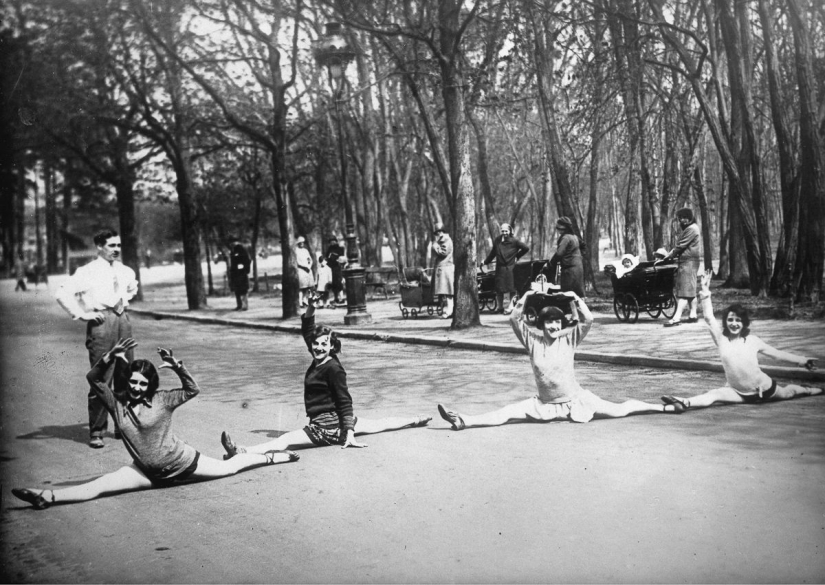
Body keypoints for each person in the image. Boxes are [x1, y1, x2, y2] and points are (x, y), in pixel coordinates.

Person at [11, 339, 297, 510]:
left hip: (184, 463)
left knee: (230, 467)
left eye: (142, 383)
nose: (136, 387)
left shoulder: (163, 400)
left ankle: (272, 456)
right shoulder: (117, 403)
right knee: (100, 485)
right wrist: (108, 357)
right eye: (133, 382)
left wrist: (179, 367)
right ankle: (46, 497)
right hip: (146, 472)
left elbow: (192, 390)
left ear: (151, 385)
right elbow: (94, 379)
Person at [437, 290, 686, 431]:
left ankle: (666, 407)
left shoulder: (570, 338)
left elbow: (588, 320)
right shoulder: (532, 341)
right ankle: (463, 420)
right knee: (505, 413)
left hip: (577, 400)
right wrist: (527, 295)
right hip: (544, 404)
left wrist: (574, 297)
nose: (554, 326)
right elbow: (514, 319)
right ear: (541, 325)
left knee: (620, 409)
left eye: (557, 322)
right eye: (549, 322)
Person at [220, 293, 431, 456]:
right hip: (337, 423)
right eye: (316, 344)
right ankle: (417, 419)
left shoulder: (333, 368)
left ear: (332, 347)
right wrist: (311, 306)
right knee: (381, 424)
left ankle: (242, 452)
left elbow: (344, 401)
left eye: (324, 344)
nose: (318, 347)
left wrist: (349, 434)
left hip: (327, 428)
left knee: (284, 440)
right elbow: (308, 328)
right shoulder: (318, 358)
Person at [660, 271, 822, 412]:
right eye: (730, 320)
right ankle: (685, 402)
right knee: (714, 395)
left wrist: (802, 360)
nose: (734, 323)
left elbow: (777, 355)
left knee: (789, 393)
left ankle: (808, 390)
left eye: (738, 320)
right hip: (737, 392)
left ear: (743, 323)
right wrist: (705, 290)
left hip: (764, 388)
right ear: (726, 322)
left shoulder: (753, 340)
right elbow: (709, 318)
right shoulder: (721, 339)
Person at [55, 229, 138, 449]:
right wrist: (82, 314)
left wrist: (124, 301)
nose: (117, 250)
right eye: (112, 246)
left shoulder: (125, 270)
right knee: (102, 376)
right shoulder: (87, 271)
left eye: (119, 245)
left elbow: (132, 288)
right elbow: (62, 293)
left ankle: (122, 425)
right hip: (101, 323)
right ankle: (97, 431)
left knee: (125, 373)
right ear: (99, 247)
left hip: (123, 320)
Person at [657, 208, 701, 326]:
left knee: (684, 291)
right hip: (689, 261)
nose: (682, 220)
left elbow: (680, 246)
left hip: (688, 262)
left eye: (684, 217)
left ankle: (676, 318)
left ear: (690, 217)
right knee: (691, 289)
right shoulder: (692, 228)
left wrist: (668, 256)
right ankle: (693, 315)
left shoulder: (691, 229)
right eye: (680, 218)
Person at [482, 223, 530, 314]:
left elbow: (526, 248)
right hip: (500, 268)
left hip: (510, 268)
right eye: (503, 231)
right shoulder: (497, 240)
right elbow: (493, 253)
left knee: (511, 288)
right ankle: (500, 307)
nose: (504, 233)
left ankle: (509, 307)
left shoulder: (514, 241)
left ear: (510, 231)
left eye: (506, 231)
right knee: (499, 289)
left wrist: (517, 256)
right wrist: (485, 262)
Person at [547, 216, 585, 297]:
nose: (558, 230)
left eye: (558, 228)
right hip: (578, 268)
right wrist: (578, 257)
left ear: (562, 228)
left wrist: (550, 264)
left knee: (567, 296)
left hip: (569, 271)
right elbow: (583, 246)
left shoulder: (565, 238)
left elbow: (559, 254)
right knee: (577, 296)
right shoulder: (574, 237)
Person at [431, 223, 454, 319]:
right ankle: (447, 309)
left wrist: (435, 246)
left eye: (439, 232)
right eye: (436, 233)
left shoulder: (446, 240)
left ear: (442, 232)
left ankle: (450, 310)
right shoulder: (442, 240)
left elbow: (443, 252)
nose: (438, 234)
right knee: (444, 291)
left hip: (446, 268)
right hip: (442, 268)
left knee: (448, 291)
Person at [228, 238, 251, 311]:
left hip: (241, 274)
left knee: (243, 290)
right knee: (237, 290)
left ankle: (244, 306)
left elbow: (247, 260)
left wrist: (244, 269)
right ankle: (239, 305)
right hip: (235, 274)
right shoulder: (233, 250)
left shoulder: (241, 249)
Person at [325, 235, 346, 305]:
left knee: (339, 283)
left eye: (333, 241)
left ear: (336, 241)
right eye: (331, 242)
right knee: (333, 284)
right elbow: (327, 258)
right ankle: (336, 298)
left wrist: (337, 259)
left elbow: (342, 258)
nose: (332, 243)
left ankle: (341, 297)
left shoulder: (340, 249)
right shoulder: (329, 249)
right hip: (331, 268)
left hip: (338, 267)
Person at [295, 236, 314, 308]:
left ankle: (304, 300)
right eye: (300, 243)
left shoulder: (305, 251)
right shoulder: (296, 251)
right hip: (301, 270)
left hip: (308, 270)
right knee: (301, 287)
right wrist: (304, 267)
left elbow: (309, 259)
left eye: (302, 243)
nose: (301, 244)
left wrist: (309, 266)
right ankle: (300, 302)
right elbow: (297, 262)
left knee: (307, 287)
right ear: (298, 244)